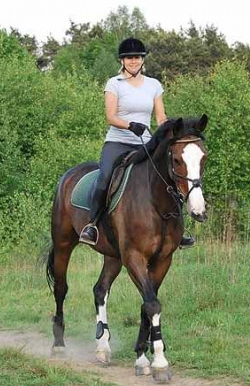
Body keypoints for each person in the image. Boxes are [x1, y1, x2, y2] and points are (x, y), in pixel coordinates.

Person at [79, 37, 195, 249]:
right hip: (118, 141)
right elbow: (110, 116)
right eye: (129, 58)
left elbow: (160, 117)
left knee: (169, 177)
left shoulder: (154, 85)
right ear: (122, 61)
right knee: (105, 178)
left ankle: (178, 230)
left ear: (143, 60)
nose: (134, 61)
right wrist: (130, 125)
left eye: (137, 57)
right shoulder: (114, 84)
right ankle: (92, 224)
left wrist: (168, 130)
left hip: (146, 143)